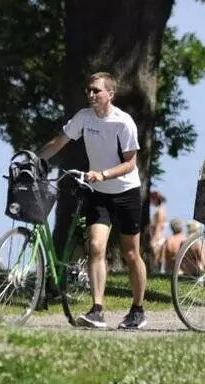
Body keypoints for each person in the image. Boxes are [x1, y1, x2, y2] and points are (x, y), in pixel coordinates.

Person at [38, 71, 146, 330]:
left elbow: (130, 164)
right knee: (96, 246)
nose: (91, 94)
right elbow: (59, 142)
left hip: (126, 193)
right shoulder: (84, 117)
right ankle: (97, 310)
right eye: (89, 90)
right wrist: (35, 160)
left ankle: (138, 309)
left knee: (131, 253)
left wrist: (103, 174)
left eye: (97, 90)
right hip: (99, 194)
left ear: (110, 93)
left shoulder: (123, 122)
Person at [149, 191, 168, 271]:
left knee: (156, 258)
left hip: (158, 237)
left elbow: (158, 226)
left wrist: (154, 240)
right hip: (160, 236)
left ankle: (156, 271)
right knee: (157, 259)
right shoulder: (162, 209)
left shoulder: (159, 211)